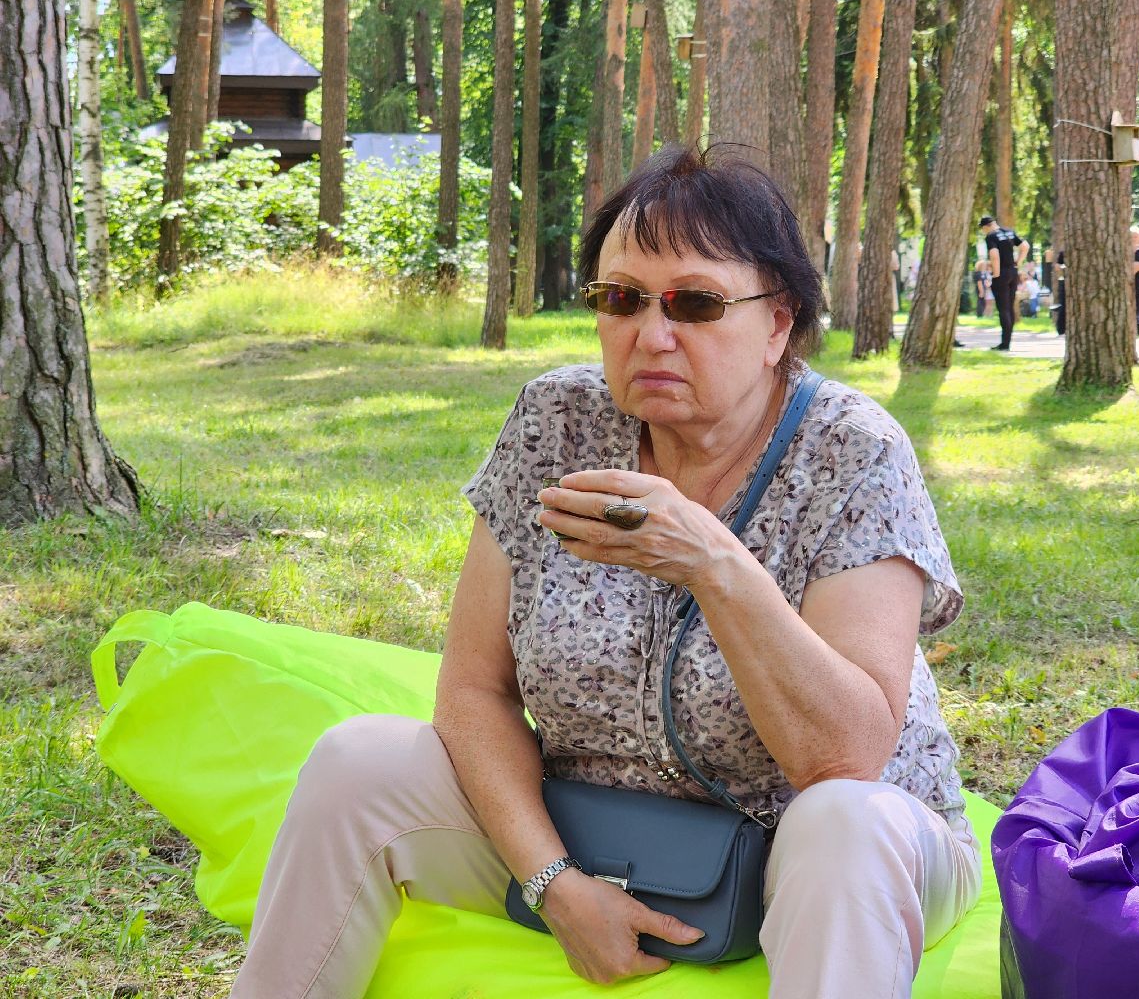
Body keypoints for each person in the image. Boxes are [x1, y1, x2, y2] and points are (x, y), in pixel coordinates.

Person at [230, 144, 982, 999]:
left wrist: (712, 562)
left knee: (844, 825)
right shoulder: (557, 421)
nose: (650, 336)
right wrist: (554, 885)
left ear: (779, 323)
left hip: (819, 845)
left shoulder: (855, 451)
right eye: (621, 299)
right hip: (597, 826)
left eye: (695, 305)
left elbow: (846, 754)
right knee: (355, 765)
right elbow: (473, 693)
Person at [980, 215, 1028, 351]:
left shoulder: (991, 236)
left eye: (983, 229)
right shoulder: (1009, 232)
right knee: (1010, 307)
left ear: (986, 226)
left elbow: (994, 255)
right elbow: (1025, 246)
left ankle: (1004, 344)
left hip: (1001, 274)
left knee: (1003, 309)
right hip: (1013, 273)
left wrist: (995, 274)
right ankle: (1007, 341)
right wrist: (1018, 262)